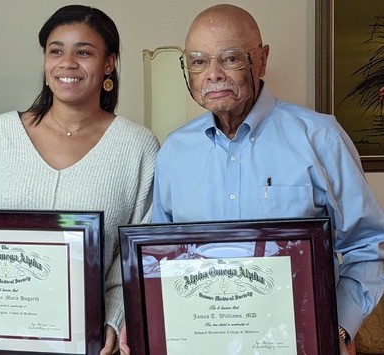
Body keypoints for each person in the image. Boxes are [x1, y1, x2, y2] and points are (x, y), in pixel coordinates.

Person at [0, 5, 159, 354]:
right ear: (45, 62)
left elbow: (131, 257)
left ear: (109, 63)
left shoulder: (138, 146)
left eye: (83, 52)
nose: (67, 63)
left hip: (87, 340)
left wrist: (115, 319)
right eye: (56, 51)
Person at [151, 4, 384, 355]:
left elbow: (367, 245)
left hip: (301, 342)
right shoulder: (173, 152)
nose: (212, 74)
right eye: (198, 61)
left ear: (261, 59)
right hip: (203, 343)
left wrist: (338, 331)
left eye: (229, 58)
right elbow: (160, 259)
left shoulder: (320, 138)